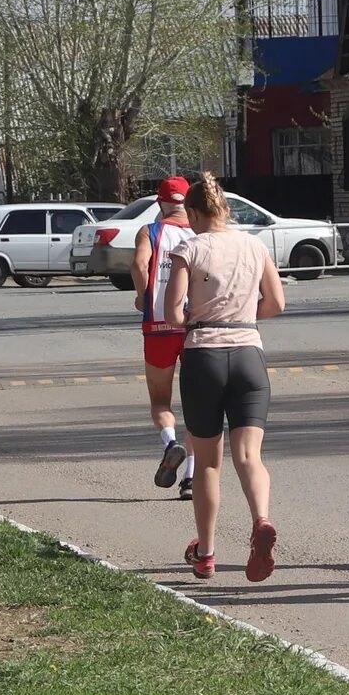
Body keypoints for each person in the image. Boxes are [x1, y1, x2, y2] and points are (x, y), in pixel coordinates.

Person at [158, 173, 288, 582]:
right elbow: (277, 303)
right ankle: (262, 519)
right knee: (250, 455)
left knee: (209, 463)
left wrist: (199, 318)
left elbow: (172, 312)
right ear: (227, 210)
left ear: (193, 212)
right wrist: (242, 318)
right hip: (249, 353)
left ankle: (207, 552)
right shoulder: (254, 245)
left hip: (204, 357)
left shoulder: (188, 249)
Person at [132, 175, 197, 501]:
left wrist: (143, 295)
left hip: (158, 324)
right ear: (187, 203)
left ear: (160, 203)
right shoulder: (201, 233)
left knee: (160, 400)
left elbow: (140, 264)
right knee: (199, 407)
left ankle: (171, 443)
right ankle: (191, 480)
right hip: (196, 325)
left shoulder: (151, 231)